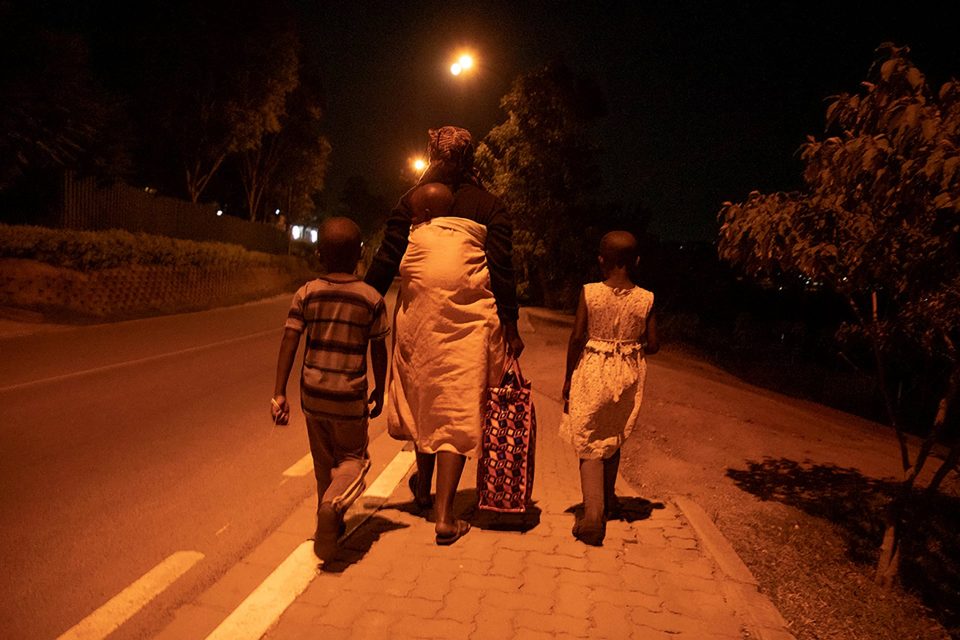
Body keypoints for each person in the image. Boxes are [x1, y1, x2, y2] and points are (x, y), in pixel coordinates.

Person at [365, 125, 524, 545]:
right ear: (470, 158)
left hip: (418, 318)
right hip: (471, 320)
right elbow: (502, 268)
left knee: (424, 395)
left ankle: (424, 489)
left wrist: (363, 301)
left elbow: (387, 256)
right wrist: (510, 324)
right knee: (457, 406)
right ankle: (444, 516)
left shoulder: (412, 200)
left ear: (433, 154)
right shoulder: (490, 205)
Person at [271, 217, 389, 561]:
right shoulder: (371, 299)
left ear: (319, 255)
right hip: (349, 398)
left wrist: (279, 392)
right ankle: (331, 509)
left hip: (313, 397)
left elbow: (290, 340)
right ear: (360, 254)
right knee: (353, 460)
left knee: (323, 464)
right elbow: (379, 349)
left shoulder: (306, 293)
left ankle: (328, 526)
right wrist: (381, 388)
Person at [560, 230, 659, 546]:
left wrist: (568, 378)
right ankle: (609, 499)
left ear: (602, 260)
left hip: (593, 370)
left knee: (589, 438)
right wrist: (631, 343)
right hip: (628, 374)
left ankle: (593, 517)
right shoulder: (646, 298)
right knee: (613, 435)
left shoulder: (590, 293)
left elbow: (577, 337)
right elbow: (654, 344)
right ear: (636, 261)